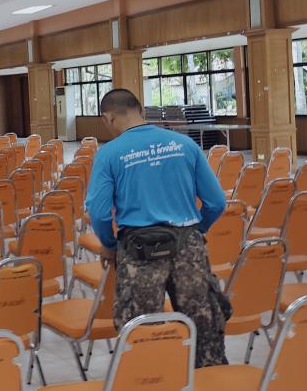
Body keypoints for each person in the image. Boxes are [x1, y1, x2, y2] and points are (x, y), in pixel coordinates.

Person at [84, 88, 229, 368]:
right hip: (189, 247)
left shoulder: (109, 154)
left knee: (142, 331)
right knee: (204, 327)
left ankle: (153, 377)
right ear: (140, 110)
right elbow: (216, 202)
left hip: (140, 251)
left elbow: (99, 212)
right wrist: (197, 230)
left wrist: (110, 245)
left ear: (108, 118)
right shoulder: (184, 144)